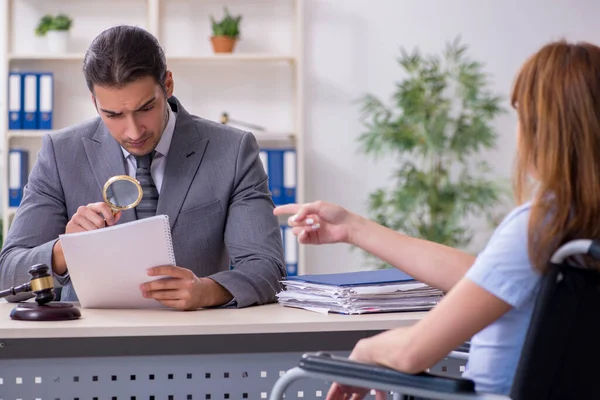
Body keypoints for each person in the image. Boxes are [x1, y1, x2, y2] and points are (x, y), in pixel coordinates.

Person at [274, 39, 600, 398]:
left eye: (521, 115)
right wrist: (354, 227)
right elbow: (484, 276)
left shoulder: (536, 227)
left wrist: (367, 350)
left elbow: (412, 351)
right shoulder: (577, 225)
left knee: (291, 382)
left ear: (545, 127)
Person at [0, 25, 286, 310]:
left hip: (193, 339)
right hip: (88, 344)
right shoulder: (61, 153)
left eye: (145, 108)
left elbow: (268, 267)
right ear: (94, 102)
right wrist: (65, 250)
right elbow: (7, 274)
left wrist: (208, 291)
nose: (133, 132)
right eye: (113, 115)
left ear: (168, 85)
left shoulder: (232, 151)